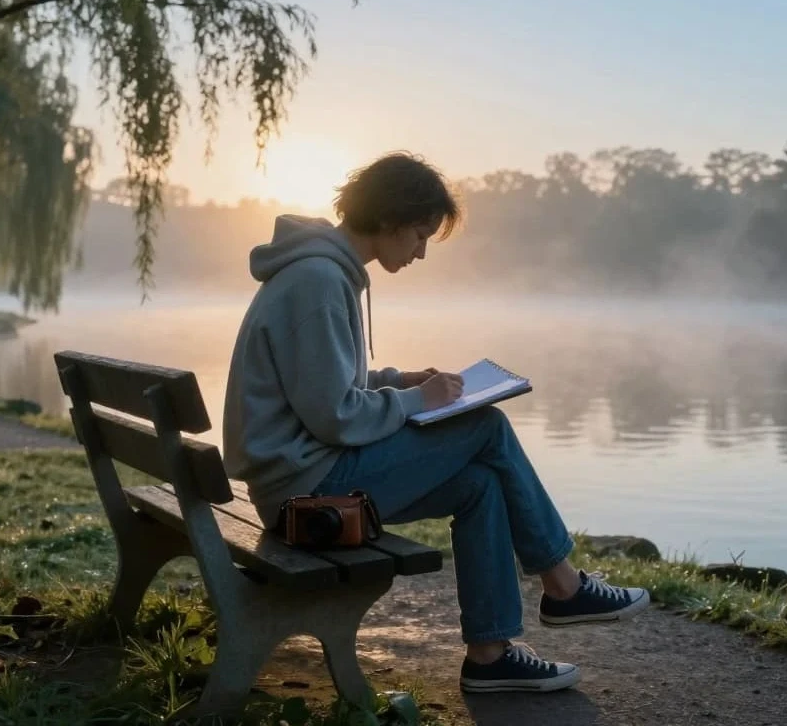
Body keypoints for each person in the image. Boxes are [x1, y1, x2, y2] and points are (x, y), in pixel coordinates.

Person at [221, 152, 650, 694]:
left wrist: (399, 381)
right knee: (486, 427)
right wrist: (417, 400)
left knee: (480, 483)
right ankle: (563, 586)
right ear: (387, 219)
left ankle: (490, 656)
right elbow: (335, 418)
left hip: (301, 480)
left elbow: (325, 389)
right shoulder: (319, 283)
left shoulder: (321, 273)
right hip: (306, 498)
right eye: (420, 234)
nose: (422, 251)